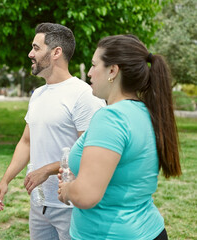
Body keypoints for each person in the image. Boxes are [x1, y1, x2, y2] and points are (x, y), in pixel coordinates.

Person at [57, 34, 182, 239]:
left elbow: (86, 195)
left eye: (94, 65)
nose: (89, 73)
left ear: (112, 71)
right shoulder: (144, 112)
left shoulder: (111, 118)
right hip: (148, 230)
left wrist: (68, 190)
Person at [0, 23, 105, 240]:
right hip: (39, 205)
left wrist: (46, 170)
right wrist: (5, 180)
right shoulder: (38, 94)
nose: (30, 53)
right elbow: (27, 142)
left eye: (36, 48)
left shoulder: (84, 95)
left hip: (72, 206)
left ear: (56, 52)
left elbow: (91, 153)